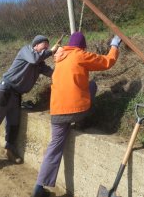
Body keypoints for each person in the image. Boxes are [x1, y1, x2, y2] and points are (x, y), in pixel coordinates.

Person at [31, 32, 121, 197]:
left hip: (57, 113)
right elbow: (107, 62)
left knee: (54, 147)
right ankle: (82, 122)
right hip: (77, 112)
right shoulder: (80, 54)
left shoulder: (59, 58)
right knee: (92, 85)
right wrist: (114, 46)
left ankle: (38, 187)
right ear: (82, 46)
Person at [0, 35, 60, 166]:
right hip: (6, 89)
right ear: (35, 45)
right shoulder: (26, 51)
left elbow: (53, 73)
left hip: (17, 94)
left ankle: (9, 150)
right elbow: (34, 59)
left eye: (48, 46)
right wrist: (50, 52)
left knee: (14, 124)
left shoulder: (39, 64)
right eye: (44, 45)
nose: (47, 47)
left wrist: (62, 62)